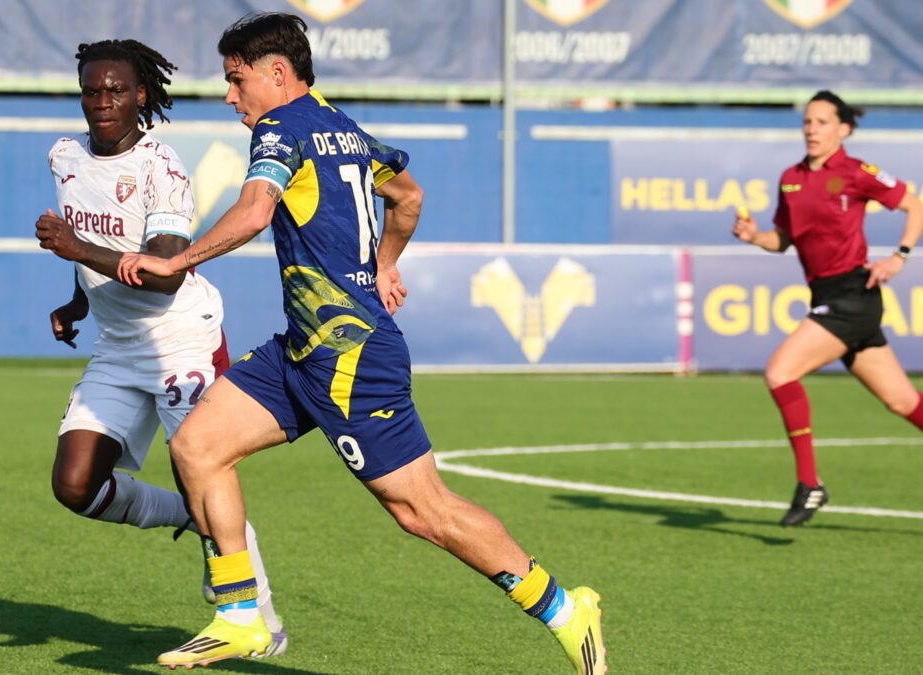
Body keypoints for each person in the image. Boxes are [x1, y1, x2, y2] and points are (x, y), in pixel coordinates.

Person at [117, 13, 605, 673]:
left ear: (277, 74)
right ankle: (240, 616)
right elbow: (409, 195)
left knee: (423, 510)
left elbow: (256, 212)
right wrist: (385, 262)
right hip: (303, 349)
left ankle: (565, 609)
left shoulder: (279, 127)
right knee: (197, 447)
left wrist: (178, 260)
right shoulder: (340, 126)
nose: (231, 96)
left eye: (236, 80)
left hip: (351, 357)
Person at [33, 39, 286, 656]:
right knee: (75, 485)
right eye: (92, 91)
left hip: (181, 339)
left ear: (141, 95)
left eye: (116, 90)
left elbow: (166, 272)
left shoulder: (162, 169)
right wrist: (78, 302)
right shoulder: (65, 158)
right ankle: (189, 518)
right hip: (119, 345)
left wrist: (76, 249)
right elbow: (93, 243)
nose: (102, 101)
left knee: (203, 468)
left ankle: (262, 618)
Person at [732, 90, 923, 526]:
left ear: (844, 129)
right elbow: (783, 240)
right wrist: (754, 236)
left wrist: (899, 257)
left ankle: (810, 484)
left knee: (780, 372)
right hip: (827, 297)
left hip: (853, 296)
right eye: (807, 122)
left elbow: (914, 205)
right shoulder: (791, 178)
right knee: (902, 401)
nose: (812, 129)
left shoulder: (857, 172)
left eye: (822, 122)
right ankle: (811, 486)